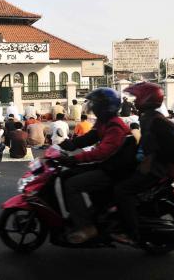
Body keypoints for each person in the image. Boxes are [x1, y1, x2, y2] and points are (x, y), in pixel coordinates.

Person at [113, 82, 174, 244]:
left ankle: (131, 232)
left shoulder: (154, 120)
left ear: (146, 99)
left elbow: (159, 148)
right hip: (152, 166)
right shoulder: (150, 117)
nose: (135, 101)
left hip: (155, 170)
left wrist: (149, 160)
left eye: (138, 97)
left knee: (122, 190)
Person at [60, 88, 132, 243]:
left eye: (96, 105)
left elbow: (101, 152)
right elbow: (90, 138)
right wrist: (70, 144)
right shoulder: (105, 122)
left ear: (105, 107)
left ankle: (86, 227)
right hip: (107, 165)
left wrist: (75, 159)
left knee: (72, 184)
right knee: (66, 174)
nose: (93, 107)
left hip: (113, 170)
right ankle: (78, 214)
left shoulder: (115, 127)